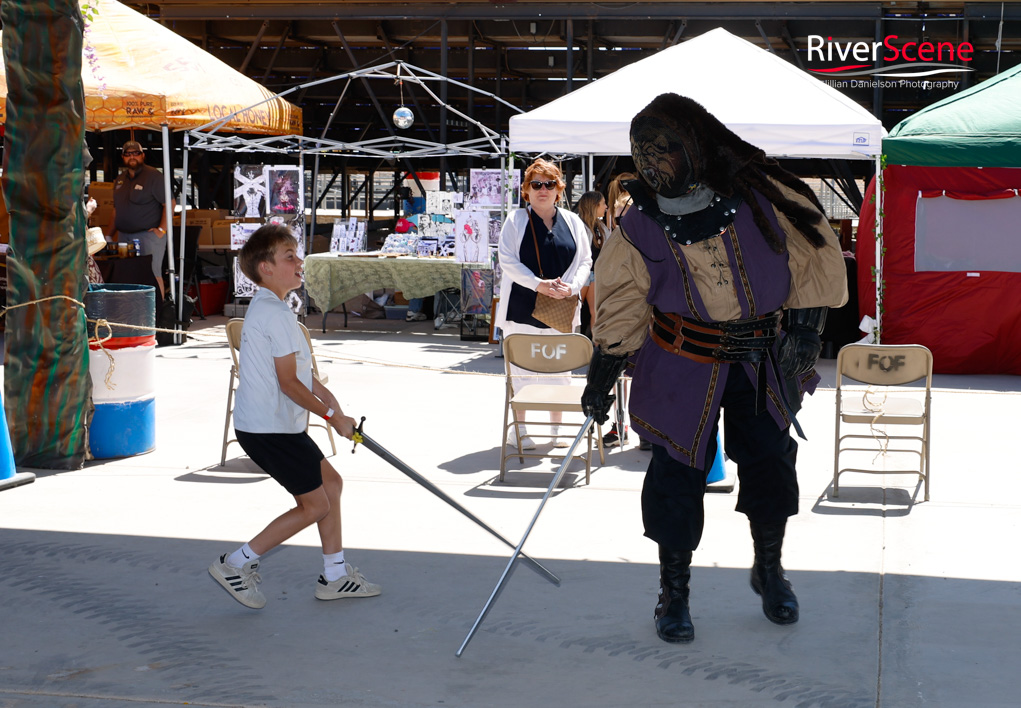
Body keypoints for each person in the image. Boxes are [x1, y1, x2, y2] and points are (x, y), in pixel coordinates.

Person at [582, 93, 847, 644]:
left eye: (664, 149)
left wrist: (803, 330)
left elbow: (809, 253)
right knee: (676, 477)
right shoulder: (639, 225)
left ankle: (770, 571)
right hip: (683, 362)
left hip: (759, 362)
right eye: (641, 150)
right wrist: (601, 378)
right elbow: (621, 302)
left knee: (771, 465)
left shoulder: (760, 197)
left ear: (695, 146)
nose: (651, 161)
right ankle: (673, 594)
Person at [209, 224, 381, 609]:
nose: (299, 262)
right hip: (268, 429)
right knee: (315, 504)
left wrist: (334, 405)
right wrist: (333, 416)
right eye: (289, 256)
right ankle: (235, 564)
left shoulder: (275, 309)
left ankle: (334, 575)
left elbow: (304, 376)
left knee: (330, 485)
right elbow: (289, 384)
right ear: (265, 268)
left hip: (276, 425)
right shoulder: (274, 315)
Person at [494, 158, 592, 450]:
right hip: (522, 311)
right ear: (526, 190)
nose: (543, 189)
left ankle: (556, 429)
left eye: (549, 184)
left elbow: (585, 259)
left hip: (561, 309)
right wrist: (538, 284)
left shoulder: (573, 221)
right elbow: (507, 260)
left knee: (560, 372)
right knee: (522, 372)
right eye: (536, 184)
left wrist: (572, 287)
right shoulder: (515, 221)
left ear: (559, 189)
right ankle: (520, 430)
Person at [110, 140, 174, 299]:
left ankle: (158, 314)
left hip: (148, 236)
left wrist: (161, 230)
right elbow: (116, 210)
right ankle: (134, 312)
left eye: (136, 153)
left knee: (152, 274)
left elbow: (170, 203)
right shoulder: (119, 180)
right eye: (128, 154)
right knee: (127, 275)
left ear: (143, 155)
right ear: (123, 157)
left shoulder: (154, 176)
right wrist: (108, 235)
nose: (132, 157)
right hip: (124, 236)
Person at [574, 190, 610, 333]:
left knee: (596, 312)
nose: (606, 207)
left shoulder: (601, 227)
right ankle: (570, 344)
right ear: (595, 205)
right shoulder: (577, 224)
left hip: (596, 274)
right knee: (574, 311)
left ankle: (596, 348)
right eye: (603, 204)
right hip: (581, 274)